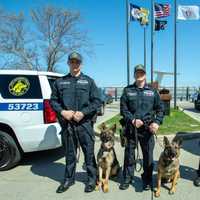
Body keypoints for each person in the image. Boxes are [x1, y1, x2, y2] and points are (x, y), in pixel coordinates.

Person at [50, 52, 101, 193]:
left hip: (84, 124)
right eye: (72, 62)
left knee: (89, 153)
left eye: (77, 62)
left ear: (81, 64)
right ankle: (68, 179)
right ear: (68, 63)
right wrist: (63, 112)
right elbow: (53, 101)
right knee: (70, 154)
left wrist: (83, 112)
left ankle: (92, 179)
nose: (74, 64)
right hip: (68, 125)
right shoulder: (59, 82)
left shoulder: (89, 81)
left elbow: (97, 101)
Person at [119, 64, 164, 191]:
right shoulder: (127, 90)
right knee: (129, 155)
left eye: (142, 73)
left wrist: (156, 122)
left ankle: (148, 179)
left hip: (147, 129)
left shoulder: (152, 91)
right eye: (137, 73)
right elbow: (123, 109)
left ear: (145, 74)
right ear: (134, 74)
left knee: (148, 156)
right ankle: (128, 177)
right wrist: (132, 119)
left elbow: (161, 109)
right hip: (131, 128)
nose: (139, 75)